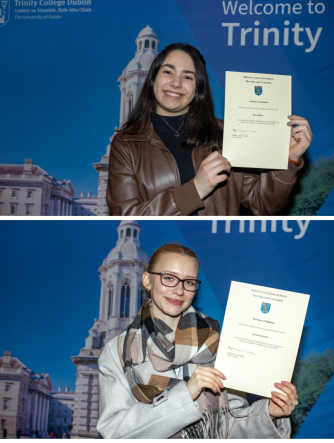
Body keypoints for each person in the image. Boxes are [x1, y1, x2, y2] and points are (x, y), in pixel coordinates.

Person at [98, 243, 298, 438]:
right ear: (148, 281)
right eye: (169, 278)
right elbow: (115, 432)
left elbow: (230, 428)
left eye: (189, 282)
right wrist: (186, 395)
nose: (179, 290)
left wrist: (268, 413)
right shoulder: (117, 351)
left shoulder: (217, 342)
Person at [107, 43, 313, 216]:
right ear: (153, 79)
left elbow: (263, 205)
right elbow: (125, 214)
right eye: (168, 72)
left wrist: (287, 160)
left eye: (188, 77)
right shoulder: (126, 143)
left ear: (199, 88)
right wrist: (196, 189)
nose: (176, 83)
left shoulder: (228, 134)